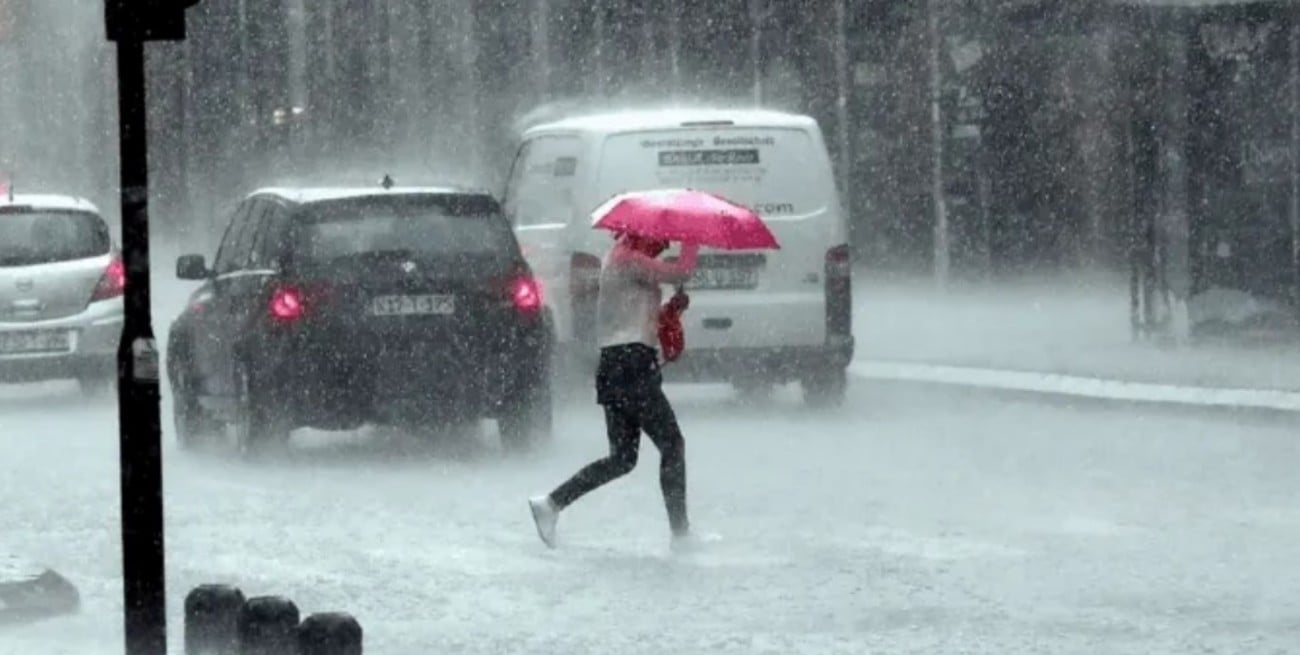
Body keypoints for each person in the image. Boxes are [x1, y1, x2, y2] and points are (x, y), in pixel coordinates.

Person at [528, 233, 701, 549]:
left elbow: (633, 314)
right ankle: (681, 534)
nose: (663, 246)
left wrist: (670, 310)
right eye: (661, 241)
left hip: (617, 365)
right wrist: (693, 239)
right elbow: (682, 271)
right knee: (672, 444)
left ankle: (551, 504)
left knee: (622, 458)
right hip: (631, 364)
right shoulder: (628, 259)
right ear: (641, 233)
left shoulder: (621, 258)